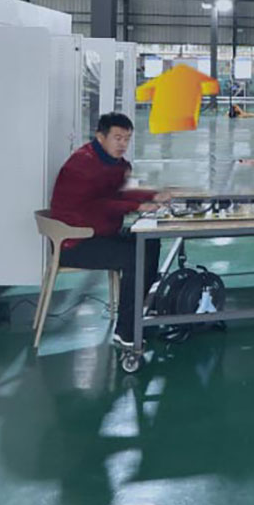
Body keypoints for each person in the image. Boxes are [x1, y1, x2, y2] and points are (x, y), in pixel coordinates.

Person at [49, 112, 162, 346]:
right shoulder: (82, 165)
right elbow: (97, 205)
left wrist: (154, 195)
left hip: (100, 233)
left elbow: (121, 192)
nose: (123, 144)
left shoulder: (113, 163)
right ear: (100, 137)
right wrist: (137, 205)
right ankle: (126, 331)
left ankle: (138, 313)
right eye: (117, 138)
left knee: (150, 241)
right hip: (75, 242)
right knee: (134, 257)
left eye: (127, 139)